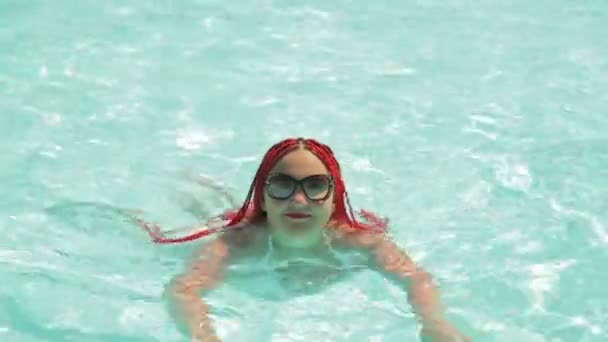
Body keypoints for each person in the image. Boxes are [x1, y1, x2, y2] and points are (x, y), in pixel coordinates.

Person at [132, 137, 470, 342]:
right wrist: (204, 336)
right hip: (243, 228)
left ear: (334, 198)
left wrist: (434, 322)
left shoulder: (364, 244)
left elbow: (416, 279)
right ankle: (190, 187)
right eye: (282, 186)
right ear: (262, 198)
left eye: (314, 186)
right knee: (216, 215)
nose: (298, 200)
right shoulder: (234, 246)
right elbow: (183, 289)